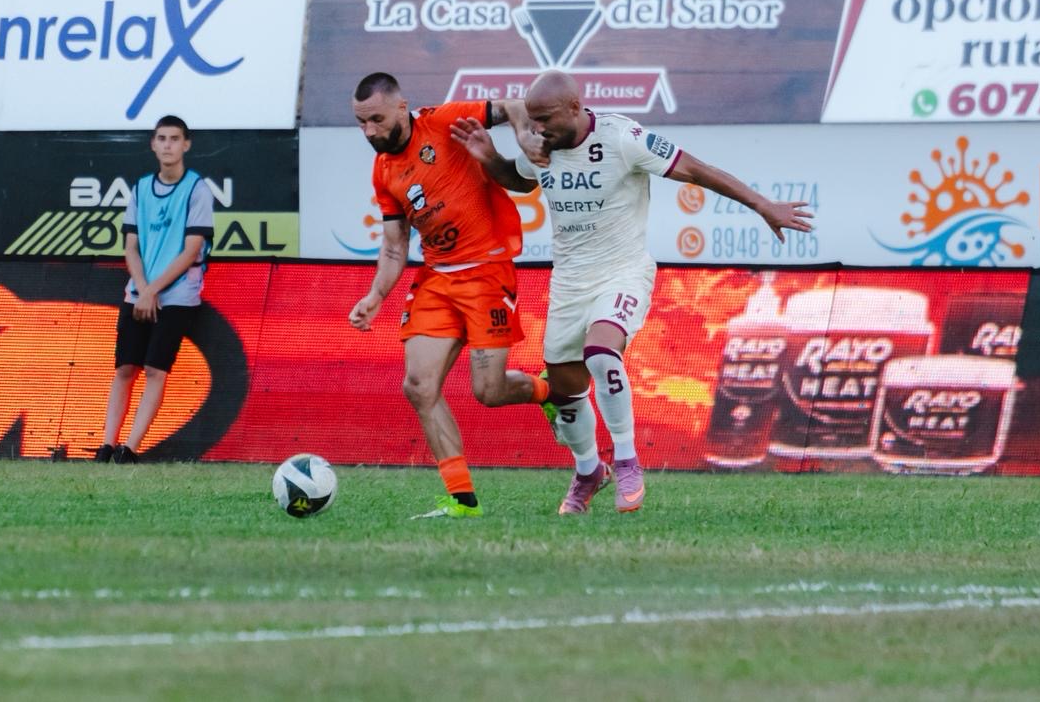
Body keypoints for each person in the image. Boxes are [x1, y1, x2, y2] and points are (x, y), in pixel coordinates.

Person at [452, 71, 813, 514]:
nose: (537, 128)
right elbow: (522, 179)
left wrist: (763, 205)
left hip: (622, 273)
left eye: (545, 119)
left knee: (602, 353)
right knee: (565, 390)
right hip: (569, 283)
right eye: (533, 119)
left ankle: (627, 461)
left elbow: (696, 170)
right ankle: (589, 472)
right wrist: (490, 158)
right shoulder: (543, 145)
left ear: (574, 108)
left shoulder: (623, 138)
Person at [347, 72, 551, 519]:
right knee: (418, 387)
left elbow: (514, 105)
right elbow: (394, 247)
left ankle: (547, 391)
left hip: (486, 272)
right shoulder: (383, 171)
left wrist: (523, 137)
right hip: (437, 279)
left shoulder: (443, 121)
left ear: (402, 107)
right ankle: (462, 499)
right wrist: (375, 296)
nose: (369, 132)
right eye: (361, 123)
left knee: (489, 391)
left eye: (376, 120)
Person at [96, 115, 215, 464]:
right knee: (124, 369)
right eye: (161, 138)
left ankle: (130, 448)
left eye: (174, 139)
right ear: (152, 144)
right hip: (139, 292)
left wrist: (153, 291)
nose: (167, 145)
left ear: (186, 144)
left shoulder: (197, 190)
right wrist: (143, 289)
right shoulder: (140, 188)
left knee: (155, 370)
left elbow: (191, 251)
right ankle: (106, 444)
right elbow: (131, 246)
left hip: (177, 295)